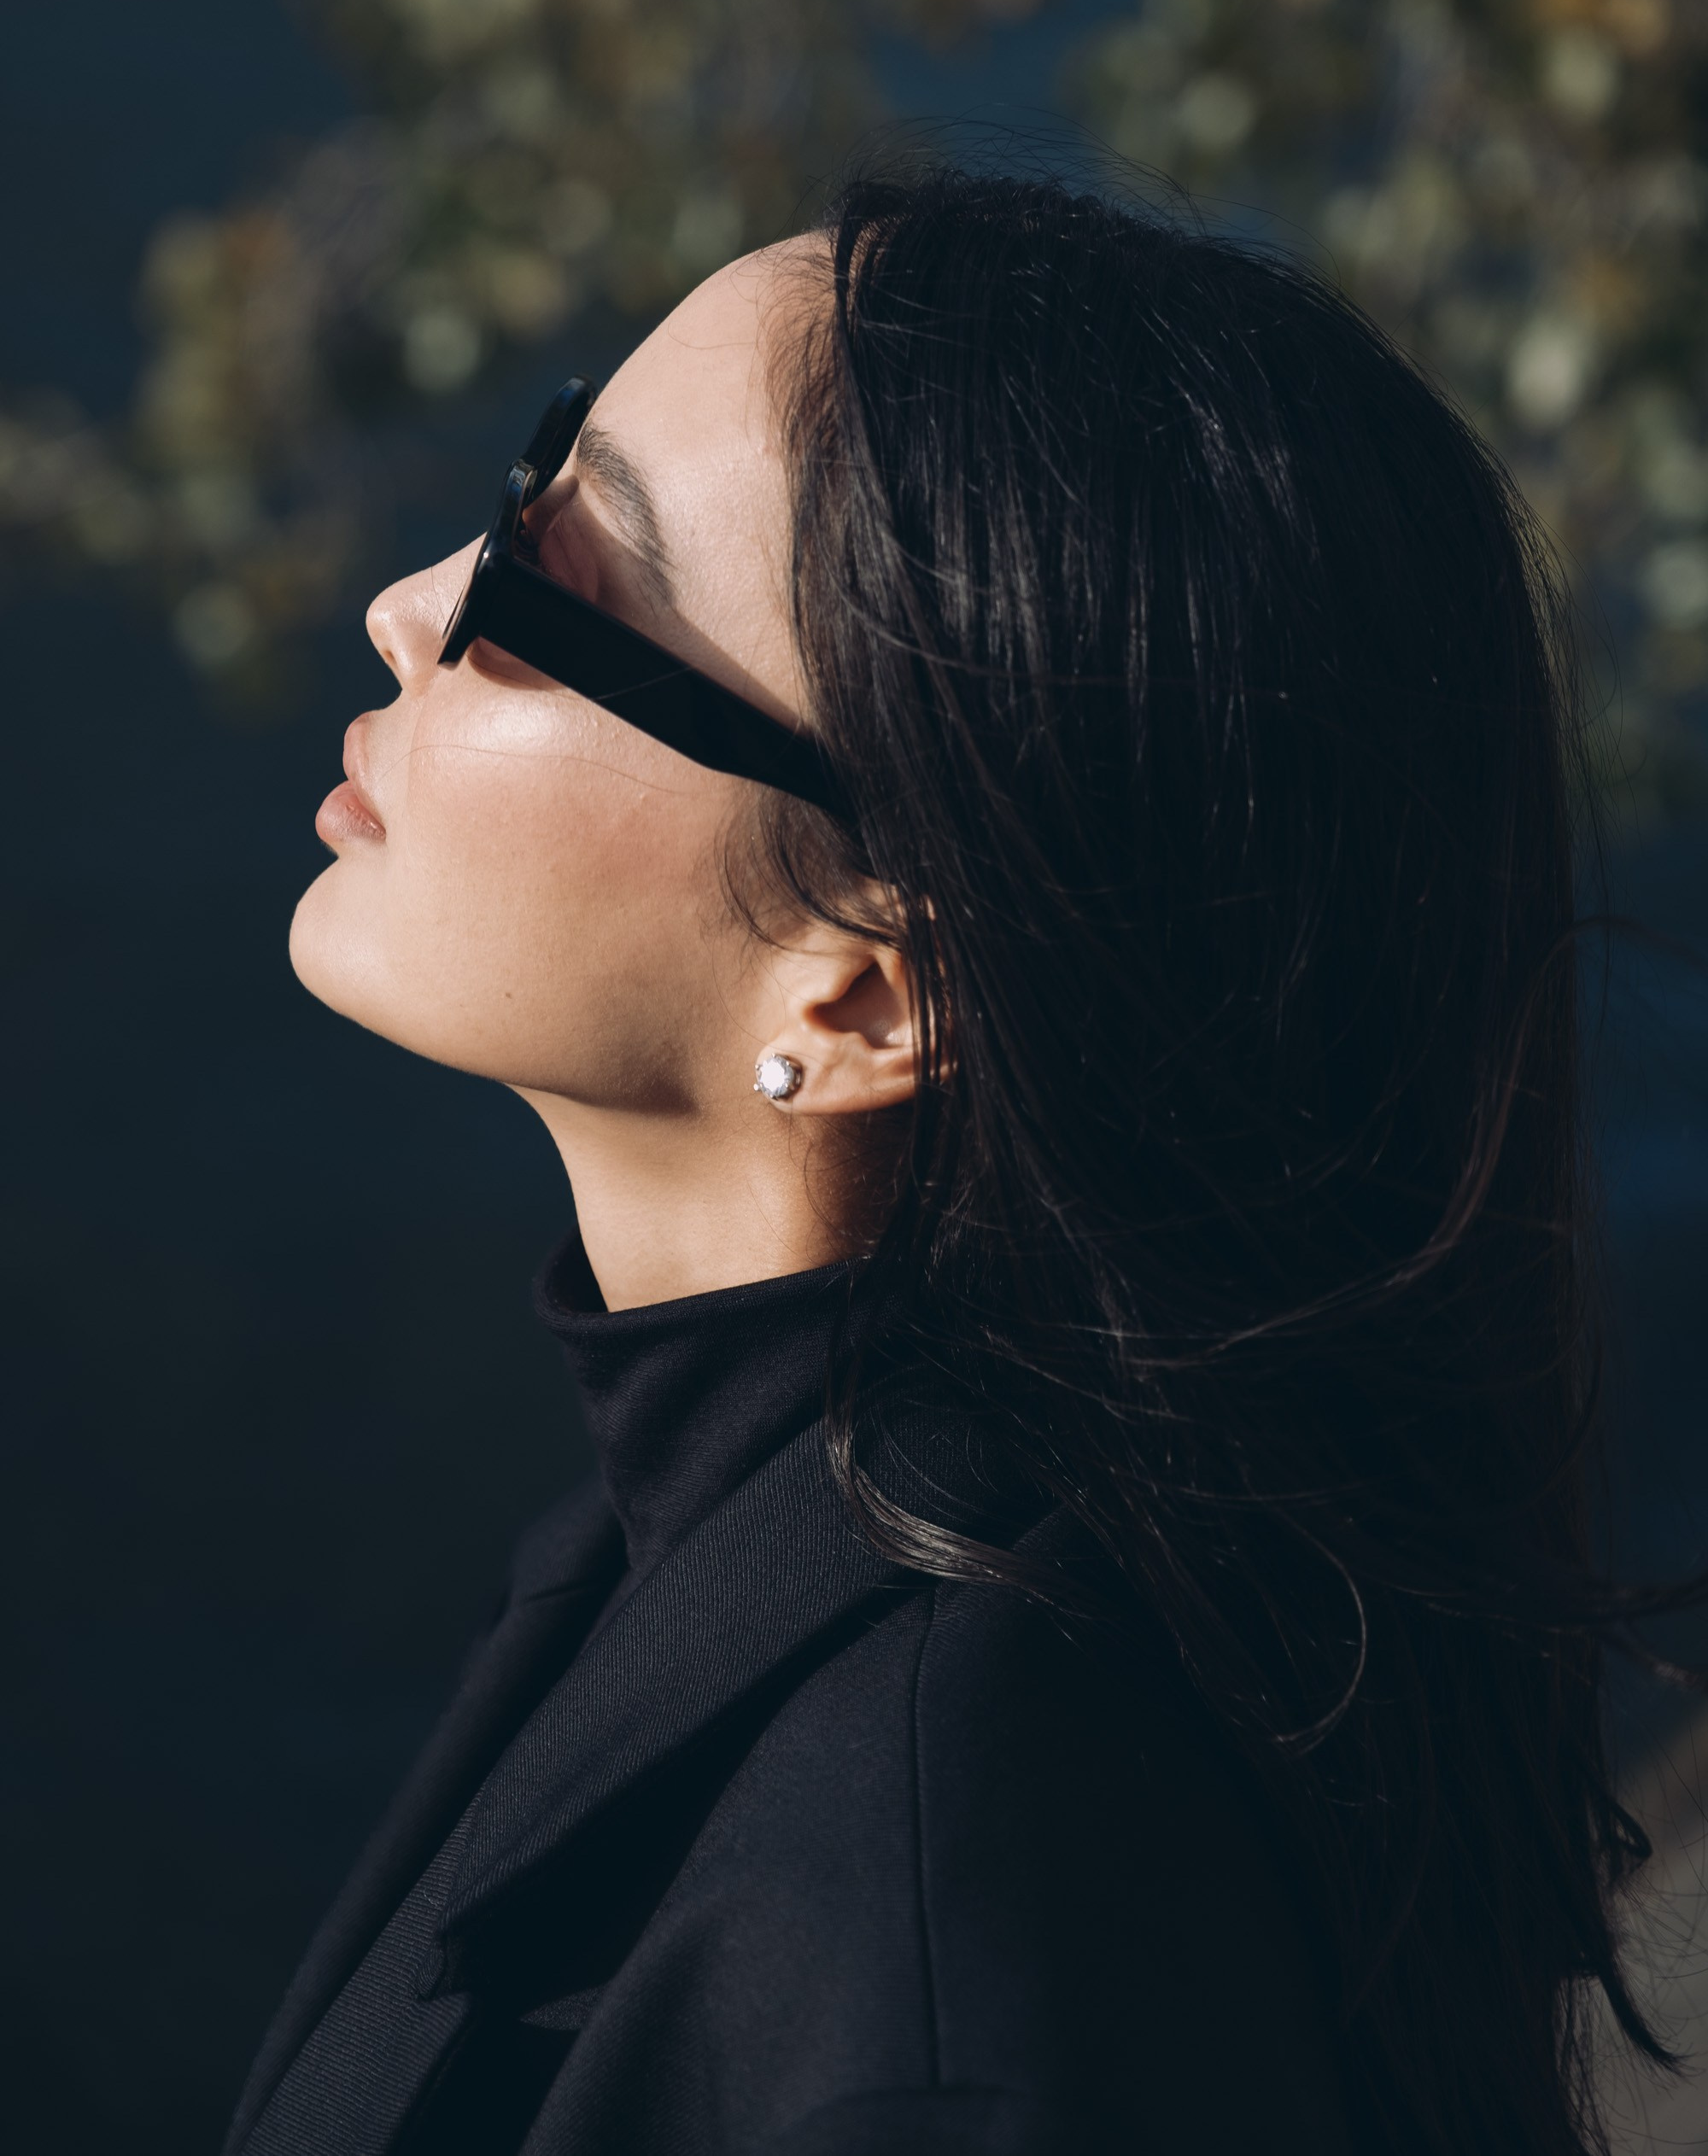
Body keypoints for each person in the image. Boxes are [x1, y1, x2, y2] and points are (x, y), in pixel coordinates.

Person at [225, 164, 1666, 2156]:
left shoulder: (926, 1971)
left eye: (551, 580)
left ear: (864, 992)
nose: (410, 608)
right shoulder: (764, 1554)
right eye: (524, 477)